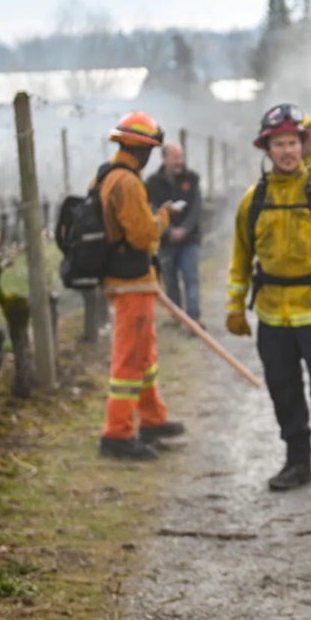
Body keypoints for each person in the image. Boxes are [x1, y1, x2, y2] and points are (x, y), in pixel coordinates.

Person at [225, 103, 311, 500]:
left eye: (292, 142)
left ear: (303, 145)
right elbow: (240, 257)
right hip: (272, 318)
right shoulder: (253, 200)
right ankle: (297, 463)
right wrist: (235, 305)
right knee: (283, 391)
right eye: (278, 143)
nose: (287, 150)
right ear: (267, 149)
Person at [98, 111, 186, 460]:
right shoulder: (128, 183)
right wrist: (163, 216)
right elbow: (143, 235)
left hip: (134, 284)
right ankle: (116, 435)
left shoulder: (109, 176)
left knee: (145, 357)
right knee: (129, 361)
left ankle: (152, 419)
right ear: (143, 150)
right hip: (130, 285)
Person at [146, 141, 203, 327]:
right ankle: (177, 317)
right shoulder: (153, 182)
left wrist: (184, 229)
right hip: (166, 241)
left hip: (190, 239)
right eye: (175, 157)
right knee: (170, 280)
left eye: (181, 156)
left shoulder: (192, 178)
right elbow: (151, 208)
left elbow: (196, 208)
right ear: (165, 158)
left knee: (191, 278)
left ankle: (194, 319)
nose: (179, 161)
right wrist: (169, 230)